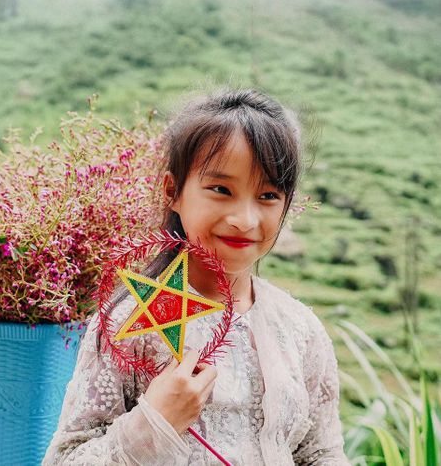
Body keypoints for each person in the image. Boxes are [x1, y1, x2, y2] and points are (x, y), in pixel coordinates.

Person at [42, 88, 349, 465]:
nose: (245, 219)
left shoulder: (301, 331)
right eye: (221, 189)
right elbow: (64, 459)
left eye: (268, 195)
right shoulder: (128, 323)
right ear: (174, 191)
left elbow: (320, 454)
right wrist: (156, 420)